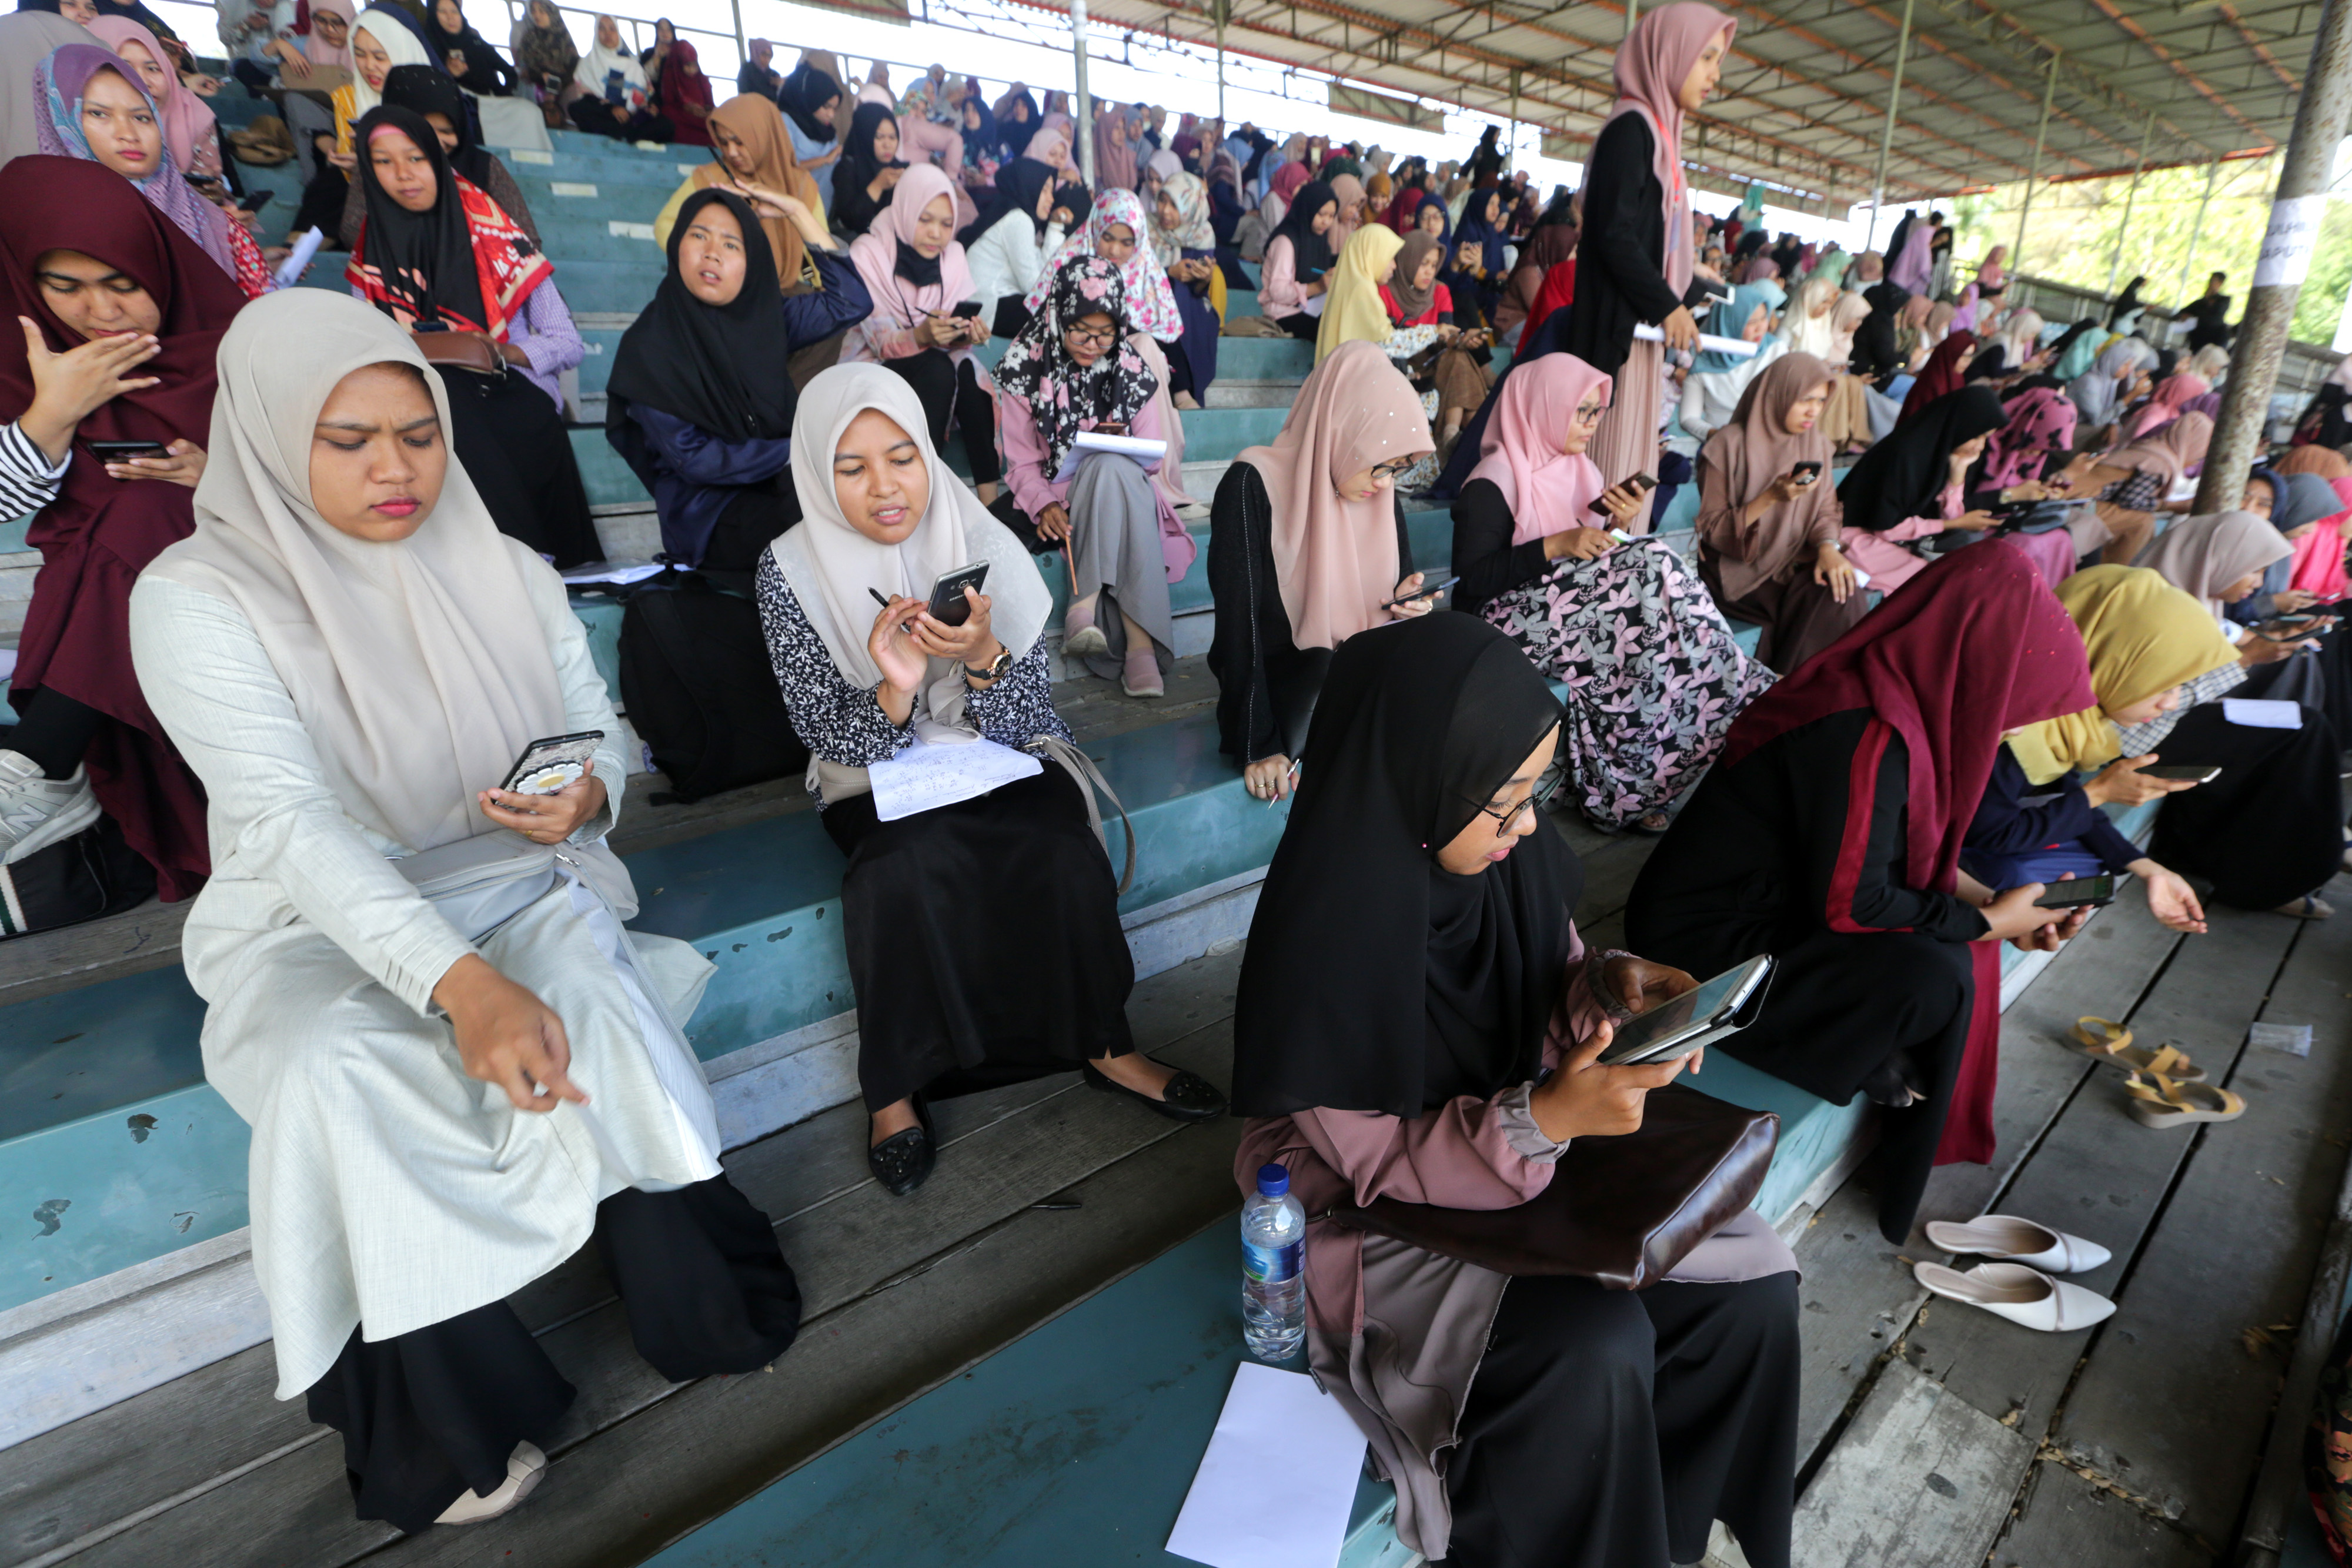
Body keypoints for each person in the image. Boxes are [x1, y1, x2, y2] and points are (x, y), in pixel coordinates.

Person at [128, 292, 799, 1534]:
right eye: (349, 439)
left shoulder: (502, 565)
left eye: (418, 432)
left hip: (510, 872)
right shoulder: (195, 596)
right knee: (336, 1062)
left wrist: (591, 790)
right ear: (273, 435)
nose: (397, 468)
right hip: (310, 916)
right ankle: (447, 1414)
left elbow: (594, 725)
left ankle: (693, 1286)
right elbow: (286, 823)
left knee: (591, 994)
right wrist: (460, 983)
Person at [1230, 610, 1801, 1568]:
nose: (1529, 825)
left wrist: (1613, 992)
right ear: (1420, 788)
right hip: (1382, 1206)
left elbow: (1556, 971)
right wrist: (1540, 1121)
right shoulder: (1324, 941)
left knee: (1754, 1287)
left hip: (1519, 1147)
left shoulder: (1503, 862)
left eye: (1536, 792)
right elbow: (1378, 1162)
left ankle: (1663, 1537)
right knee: (1588, 1344)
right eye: (1503, 805)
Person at [756, 362, 1224, 1196]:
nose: (885, 486)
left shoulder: (977, 532)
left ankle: (1107, 1045)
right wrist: (896, 689)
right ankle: (894, 1089)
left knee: (1055, 837)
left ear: (928, 454)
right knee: (895, 869)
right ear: (815, 471)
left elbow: (1030, 716)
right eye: (850, 466)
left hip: (990, 750)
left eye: (902, 457)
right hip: (871, 771)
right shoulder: (787, 569)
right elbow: (824, 731)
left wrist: (982, 660)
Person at [1629, 542, 2100, 1241]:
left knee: (1946, 955)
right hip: (1704, 937)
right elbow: (1854, 903)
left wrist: (1998, 909)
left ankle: (1864, 1056)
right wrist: (1983, 924)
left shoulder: (1891, 693)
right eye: (2009, 703)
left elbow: (1888, 857)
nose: (2008, 723)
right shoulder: (1863, 727)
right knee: (1935, 974)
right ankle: (1866, 1092)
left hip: (1783, 902)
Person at [0, 156, 233, 892]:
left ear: (156, 265)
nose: (100, 314)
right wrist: (51, 414)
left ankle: (42, 763)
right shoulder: (25, 360)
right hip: (100, 619)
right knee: (129, 517)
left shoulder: (235, 345)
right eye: (63, 287)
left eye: (122, 283)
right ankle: (43, 766)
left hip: (244, 589)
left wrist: (220, 481)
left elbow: (332, 486)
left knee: (147, 506)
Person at [1453, 353, 1772, 832]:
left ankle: (1644, 780)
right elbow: (1473, 581)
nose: (1592, 425)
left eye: (1596, 412)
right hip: (1505, 620)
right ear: (1543, 406)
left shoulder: (1580, 471)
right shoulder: (1493, 480)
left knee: (1654, 617)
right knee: (1654, 564)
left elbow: (1586, 562)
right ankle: (1739, 685)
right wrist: (1557, 544)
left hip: (1569, 610)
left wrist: (1615, 526)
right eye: (1581, 412)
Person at [347, 105, 597, 565]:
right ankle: (505, 563)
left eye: (416, 158)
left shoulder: (496, 232)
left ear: (438, 160)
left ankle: (531, 559)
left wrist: (501, 351)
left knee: (477, 409)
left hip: (508, 387)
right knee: (445, 404)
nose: (403, 174)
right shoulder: (371, 254)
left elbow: (567, 341)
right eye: (383, 161)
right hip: (422, 398)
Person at [1208, 340, 1435, 800]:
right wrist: (1259, 742)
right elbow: (1239, 628)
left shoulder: (1377, 495)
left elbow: (1391, 602)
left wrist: (1407, 606)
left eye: (1398, 469)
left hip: (1363, 685)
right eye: (1380, 465)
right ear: (1342, 431)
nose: (1385, 482)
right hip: (1290, 695)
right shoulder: (1251, 484)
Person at [606, 189, 870, 571]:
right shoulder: (649, 346)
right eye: (698, 236)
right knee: (813, 525)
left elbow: (851, 302)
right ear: (677, 243)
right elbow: (696, 459)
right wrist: (798, 450)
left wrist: (798, 213)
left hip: (783, 483)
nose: (711, 252)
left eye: (731, 244)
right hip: (711, 513)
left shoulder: (765, 320)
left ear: (752, 263)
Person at [1972, 566, 2231, 933]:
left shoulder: (2069, 718)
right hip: (1939, 854)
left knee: (2090, 866)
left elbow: (2068, 797)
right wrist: (2099, 793)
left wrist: (2148, 868)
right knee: (2014, 876)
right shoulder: (2017, 727)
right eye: (2162, 685)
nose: (2170, 704)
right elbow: (1989, 836)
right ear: (2111, 660)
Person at [2114, 524, 2348, 917]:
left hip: (2174, 716)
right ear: (2217, 561)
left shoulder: (2200, 599)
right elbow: (2156, 703)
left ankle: (2290, 857)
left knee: (2303, 726)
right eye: (2252, 570)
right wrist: (2248, 658)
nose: (2257, 584)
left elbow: (2220, 645)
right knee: (2301, 732)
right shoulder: (2156, 605)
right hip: (2144, 728)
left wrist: (2265, 642)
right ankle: (2267, 876)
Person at [993, 256, 1192, 698]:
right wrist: (1042, 502)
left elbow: (1152, 460)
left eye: (1105, 333)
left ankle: (1084, 607)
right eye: (1081, 330)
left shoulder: (1131, 367)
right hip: (1059, 494)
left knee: (1109, 465)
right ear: (1060, 314)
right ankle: (1141, 649)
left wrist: (1110, 441)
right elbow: (1021, 464)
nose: (1093, 344)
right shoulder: (1027, 365)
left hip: (1126, 490)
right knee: (1106, 468)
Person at [1568, 4, 1732, 488]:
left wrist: (1690, 288)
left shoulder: (1660, 136)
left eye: (1717, 61)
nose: (1714, 75)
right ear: (1670, 54)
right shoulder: (1631, 130)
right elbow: (1612, 233)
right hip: (1615, 338)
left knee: (1625, 477)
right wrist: (1667, 306)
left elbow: (1647, 241)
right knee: (1603, 478)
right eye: (1706, 58)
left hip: (1638, 338)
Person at [36, 43, 272, 297]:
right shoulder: (38, 229)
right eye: (99, 114)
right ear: (59, 120)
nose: (128, 134)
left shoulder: (219, 226)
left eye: (141, 117)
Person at [1696, 351, 1870, 673]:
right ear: (1779, 394)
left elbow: (1826, 510)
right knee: (1828, 605)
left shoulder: (1816, 444)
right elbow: (1713, 529)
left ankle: (1806, 698)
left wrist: (1827, 548)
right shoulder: (1727, 446)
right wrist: (1770, 498)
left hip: (1792, 560)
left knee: (1842, 591)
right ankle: (1789, 698)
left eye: (1820, 401)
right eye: (1805, 400)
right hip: (1739, 568)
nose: (1814, 411)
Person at [840, 163, 1000, 504]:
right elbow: (879, 342)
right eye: (925, 219)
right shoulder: (868, 254)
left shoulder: (952, 257)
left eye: (946, 224)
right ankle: (924, 493)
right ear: (906, 209)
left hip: (934, 360)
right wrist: (923, 336)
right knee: (938, 369)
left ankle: (990, 506)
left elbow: (951, 332)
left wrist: (966, 332)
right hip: (874, 367)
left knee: (967, 372)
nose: (936, 234)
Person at [340, 64, 537, 250]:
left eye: (446, 131)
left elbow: (528, 240)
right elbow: (353, 231)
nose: (437, 142)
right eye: (424, 131)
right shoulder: (379, 165)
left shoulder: (484, 167)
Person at [1834, 384, 2005, 593]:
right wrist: (1953, 523)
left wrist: (1957, 476)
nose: (1980, 447)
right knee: (1932, 582)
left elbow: (1952, 516)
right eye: (1977, 436)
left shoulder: (1945, 453)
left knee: (1965, 567)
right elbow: (1886, 528)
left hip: (1899, 540)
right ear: (1961, 425)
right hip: (1855, 536)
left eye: (1986, 438)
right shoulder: (1905, 454)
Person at [1379, 231, 1494, 456]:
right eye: (1424, 264)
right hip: (1402, 364)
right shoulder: (1386, 291)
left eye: (1434, 265)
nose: (1429, 271)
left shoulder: (1440, 290)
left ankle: (1454, 438)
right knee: (1459, 362)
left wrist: (1463, 339)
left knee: (1458, 356)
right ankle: (1470, 441)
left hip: (1436, 360)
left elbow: (1447, 336)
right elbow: (1389, 342)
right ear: (1408, 260)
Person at [87, 15, 218, 180]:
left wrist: (206, 190)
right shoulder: (73, 117)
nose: (143, 82)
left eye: (153, 68)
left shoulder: (194, 113)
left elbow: (211, 184)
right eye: (124, 67)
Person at [959, 154, 1060, 339]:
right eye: (1045, 190)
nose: (1051, 199)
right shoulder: (1018, 220)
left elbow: (1041, 272)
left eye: (1052, 192)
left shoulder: (1010, 211)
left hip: (984, 303)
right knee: (1056, 314)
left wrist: (1054, 227)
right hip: (987, 307)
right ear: (1030, 185)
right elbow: (1034, 287)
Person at [1676, 280, 1788, 445]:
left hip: (1768, 443)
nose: (1760, 328)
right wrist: (1715, 435)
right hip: (1722, 448)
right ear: (1730, 323)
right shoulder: (1704, 366)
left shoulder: (1776, 351)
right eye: (1751, 322)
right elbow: (1688, 418)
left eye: (1764, 318)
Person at [1148, 169, 1221, 408]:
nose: (1165, 211)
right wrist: (1169, 273)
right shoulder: (1147, 228)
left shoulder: (1203, 233)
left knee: (1183, 298)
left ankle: (1186, 388)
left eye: (1175, 205)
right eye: (1162, 200)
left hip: (1191, 303)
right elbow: (1136, 278)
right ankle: (1181, 390)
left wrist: (1204, 278)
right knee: (1171, 298)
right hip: (1150, 300)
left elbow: (1200, 291)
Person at [1255, 176, 1335, 340]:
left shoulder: (1318, 240)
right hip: (1281, 313)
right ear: (1308, 209)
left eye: (1331, 216)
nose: (1326, 221)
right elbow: (1277, 292)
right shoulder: (1286, 241)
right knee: (1328, 331)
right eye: (1322, 214)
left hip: (1308, 308)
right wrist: (1317, 287)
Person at [570, 15, 667, 142]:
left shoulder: (633, 64)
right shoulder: (587, 63)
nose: (608, 34)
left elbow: (646, 95)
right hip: (605, 115)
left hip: (632, 118)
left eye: (612, 29)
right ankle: (626, 134)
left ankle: (623, 132)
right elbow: (587, 98)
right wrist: (611, 108)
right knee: (576, 108)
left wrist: (651, 107)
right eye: (602, 29)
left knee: (666, 125)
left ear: (618, 33)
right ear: (596, 32)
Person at [828, 101, 905, 239]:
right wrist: (877, 186)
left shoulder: (900, 170)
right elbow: (851, 221)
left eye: (892, 137)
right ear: (865, 136)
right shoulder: (846, 169)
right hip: (858, 248)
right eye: (879, 137)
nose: (887, 145)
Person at [779, 52, 841, 210]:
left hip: (821, 208)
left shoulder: (828, 132)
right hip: (793, 207)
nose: (831, 115)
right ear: (812, 99)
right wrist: (826, 160)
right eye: (826, 107)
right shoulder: (786, 122)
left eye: (834, 109)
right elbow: (785, 168)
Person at [423, 0, 509, 94]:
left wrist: (505, 94)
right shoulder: (426, 43)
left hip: (490, 101)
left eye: (454, 11)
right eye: (443, 12)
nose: (450, 17)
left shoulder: (475, 41)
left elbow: (506, 70)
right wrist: (448, 72)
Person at [511, 0, 575, 111]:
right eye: (534, 11)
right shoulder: (529, 38)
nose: (536, 15)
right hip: (535, 84)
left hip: (561, 85)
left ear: (551, 13)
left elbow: (572, 68)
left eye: (541, 11)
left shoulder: (564, 37)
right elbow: (525, 69)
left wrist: (554, 89)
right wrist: (541, 76)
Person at [2177, 270, 2233, 352]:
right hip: (2199, 339)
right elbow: (2180, 314)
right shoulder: (2199, 304)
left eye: (2214, 281)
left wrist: (2195, 317)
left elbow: (2215, 318)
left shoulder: (2224, 301)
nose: (2210, 283)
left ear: (2220, 283)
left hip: (2215, 338)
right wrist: (2184, 316)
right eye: (2210, 280)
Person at [737, 35, 779, 101]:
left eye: (769, 56)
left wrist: (780, 86)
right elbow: (743, 92)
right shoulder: (747, 69)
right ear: (756, 52)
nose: (766, 58)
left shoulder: (773, 75)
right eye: (764, 54)